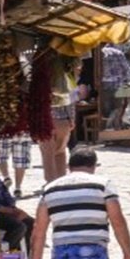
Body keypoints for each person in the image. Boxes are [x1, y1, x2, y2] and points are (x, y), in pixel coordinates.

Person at [0, 141, 33, 251]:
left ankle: (23, 258)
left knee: (30, 222)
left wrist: (14, 209)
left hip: (3, 209)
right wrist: (11, 211)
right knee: (18, 227)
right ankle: (2, 254)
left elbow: (4, 192)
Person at [38, 53, 81, 186]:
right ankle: (62, 180)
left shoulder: (41, 79)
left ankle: (51, 182)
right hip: (63, 121)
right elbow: (73, 100)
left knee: (47, 153)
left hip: (46, 120)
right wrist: (71, 119)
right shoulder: (69, 78)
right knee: (60, 152)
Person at [0, 133, 32, 199]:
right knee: (21, 160)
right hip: (23, 130)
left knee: (1, 156)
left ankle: (6, 177)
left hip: (4, 128)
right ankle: (17, 188)